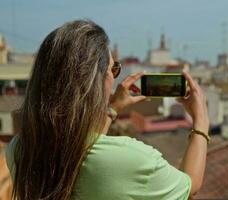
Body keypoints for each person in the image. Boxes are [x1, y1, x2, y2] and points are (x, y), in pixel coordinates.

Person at [5, 20, 210, 200]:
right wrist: (201, 118)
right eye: (114, 69)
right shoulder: (131, 159)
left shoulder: (19, 149)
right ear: (97, 80)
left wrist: (111, 110)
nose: (115, 77)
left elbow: (77, 147)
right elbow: (189, 187)